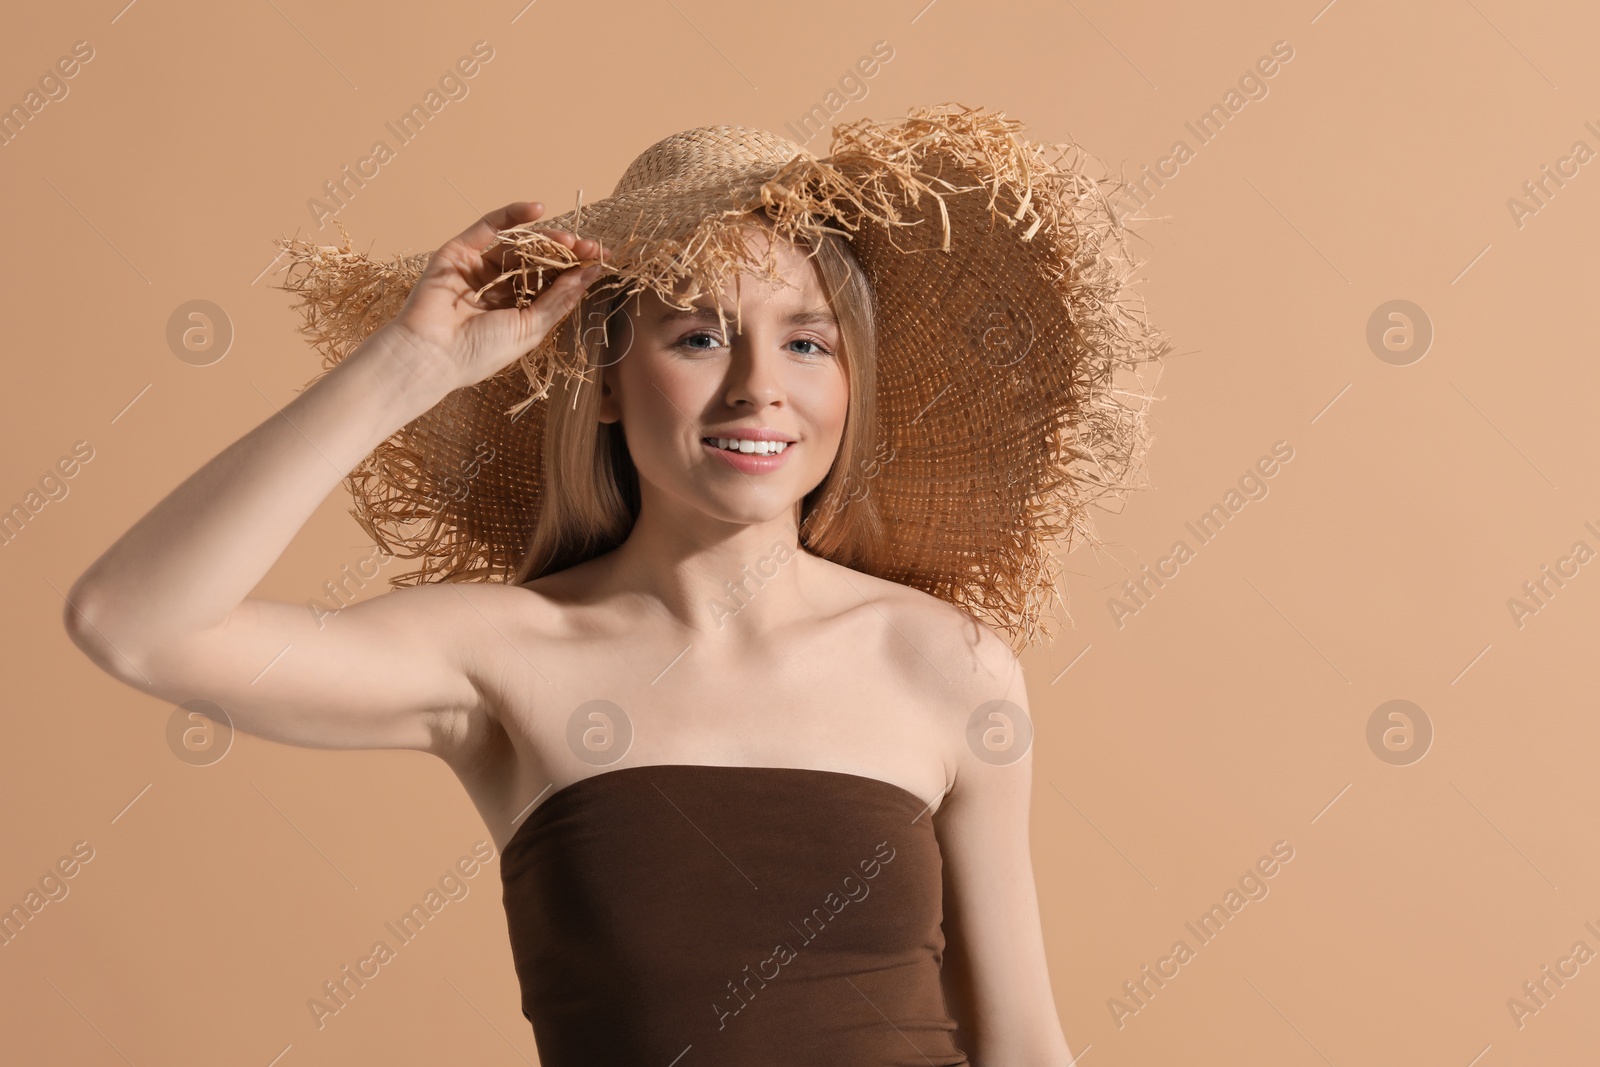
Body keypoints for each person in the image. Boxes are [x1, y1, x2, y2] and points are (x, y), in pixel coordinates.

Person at [65, 106, 1165, 1065]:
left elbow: (1021, 1044)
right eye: (697, 336)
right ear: (601, 378)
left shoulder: (945, 661)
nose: (758, 389)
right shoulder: (503, 652)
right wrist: (411, 365)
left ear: (849, 382)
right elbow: (135, 622)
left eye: (806, 343)